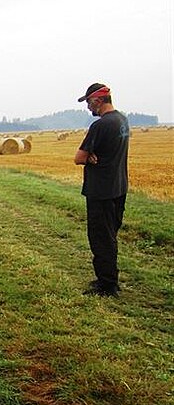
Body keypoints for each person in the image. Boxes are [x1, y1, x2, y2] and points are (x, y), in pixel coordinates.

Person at [74, 83, 129, 297]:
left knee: (100, 238)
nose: (88, 107)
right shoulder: (121, 120)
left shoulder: (100, 125)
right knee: (110, 235)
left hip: (101, 191)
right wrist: (91, 155)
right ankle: (109, 278)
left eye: (88, 102)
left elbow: (78, 158)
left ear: (98, 99)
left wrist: (88, 156)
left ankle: (107, 286)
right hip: (118, 186)